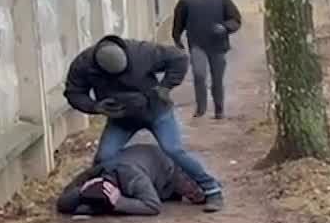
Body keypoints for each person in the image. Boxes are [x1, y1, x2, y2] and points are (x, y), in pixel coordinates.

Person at [64, 33, 225, 212]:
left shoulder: (142, 52)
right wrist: (95, 106)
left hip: (156, 112)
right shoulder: (83, 65)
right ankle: (96, 197)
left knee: (173, 149)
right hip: (122, 118)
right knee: (104, 158)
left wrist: (165, 87)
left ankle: (212, 189)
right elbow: (73, 92)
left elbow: (179, 58)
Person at [56, 143, 206, 216]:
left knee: (196, 192)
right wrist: (82, 191)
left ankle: (212, 188)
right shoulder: (98, 170)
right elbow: (62, 202)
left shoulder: (134, 179)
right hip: (137, 160)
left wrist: (119, 201)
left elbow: (153, 206)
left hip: (165, 165)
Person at [172, 0, 243, 120]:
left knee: (217, 79)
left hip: (218, 46)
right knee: (199, 75)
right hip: (197, 44)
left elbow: (236, 19)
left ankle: (219, 109)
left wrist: (225, 27)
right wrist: (176, 38)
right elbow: (178, 21)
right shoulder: (187, 0)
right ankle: (201, 108)